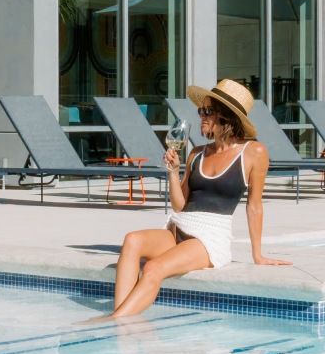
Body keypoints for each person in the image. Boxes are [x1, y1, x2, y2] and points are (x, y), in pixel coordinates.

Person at [105, 79, 288, 320]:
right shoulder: (196, 153)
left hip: (209, 238)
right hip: (179, 228)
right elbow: (180, 206)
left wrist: (258, 255)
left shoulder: (254, 152)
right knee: (132, 240)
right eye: (201, 110)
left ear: (227, 117)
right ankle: (120, 317)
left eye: (208, 111)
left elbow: (254, 206)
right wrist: (172, 172)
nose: (201, 114)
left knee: (152, 268)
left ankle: (112, 323)